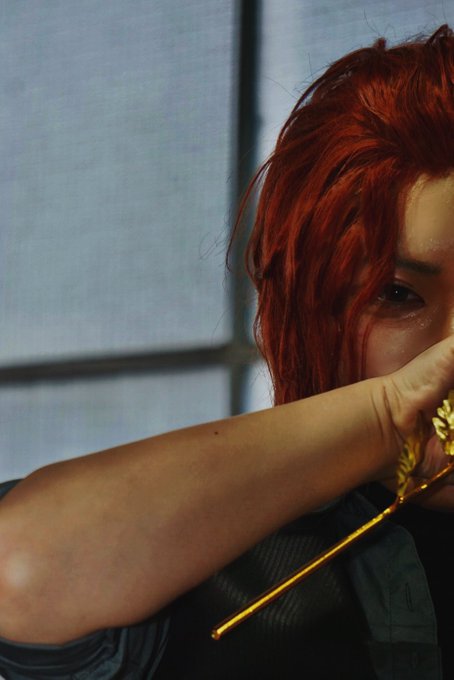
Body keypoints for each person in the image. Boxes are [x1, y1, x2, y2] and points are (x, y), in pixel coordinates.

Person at [0, 24, 454, 680]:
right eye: (397, 294)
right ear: (303, 307)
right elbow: (20, 566)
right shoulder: (211, 551)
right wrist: (387, 419)